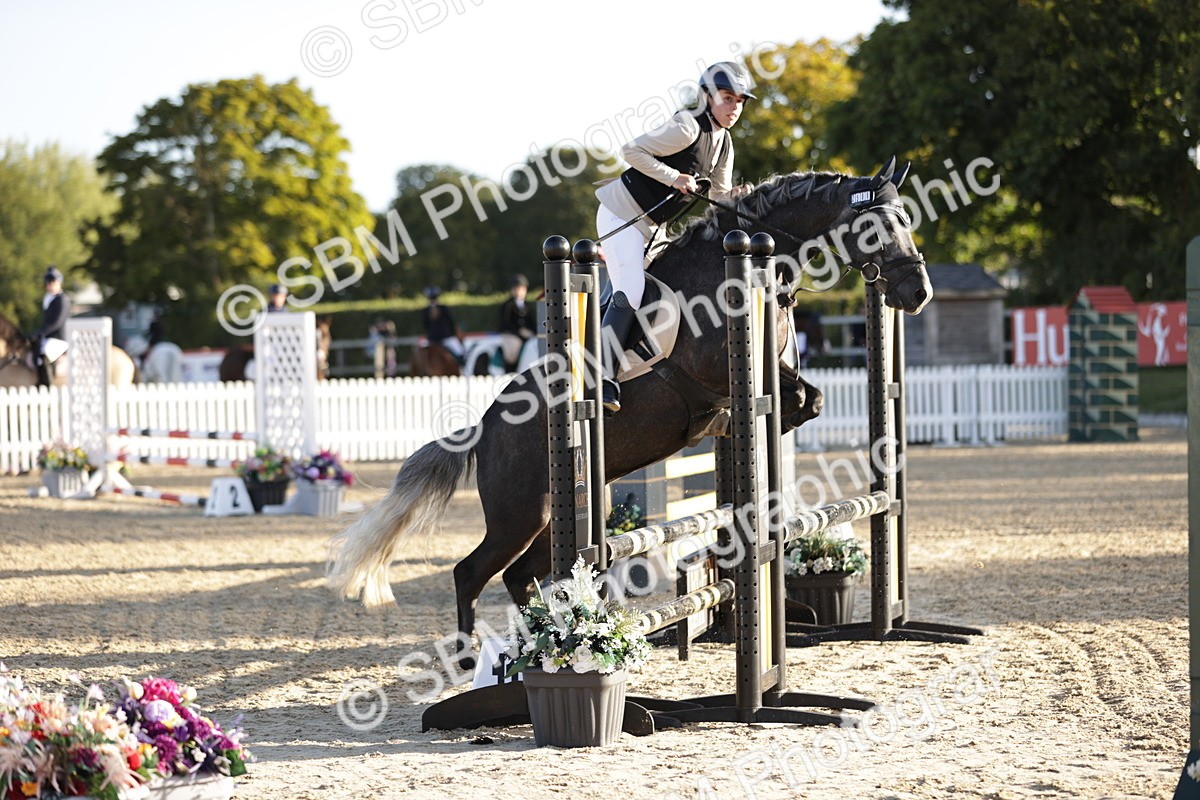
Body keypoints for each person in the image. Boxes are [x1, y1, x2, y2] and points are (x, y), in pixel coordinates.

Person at [593, 61, 757, 414]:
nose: (734, 108)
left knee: (659, 285)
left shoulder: (725, 142)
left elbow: (718, 196)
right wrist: (673, 177)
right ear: (706, 98)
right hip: (622, 214)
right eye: (727, 98)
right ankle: (600, 374)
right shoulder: (686, 126)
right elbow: (630, 151)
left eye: (739, 101)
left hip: (653, 227)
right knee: (632, 289)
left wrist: (738, 197)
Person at [33, 266, 70, 386]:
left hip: (59, 338)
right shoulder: (48, 299)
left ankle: (48, 385)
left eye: (53, 282)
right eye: (48, 283)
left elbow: (57, 322)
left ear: (59, 283)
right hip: (48, 337)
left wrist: (41, 332)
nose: (50, 285)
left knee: (44, 354)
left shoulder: (62, 299)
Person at [497, 274, 534, 372]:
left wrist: (532, 332)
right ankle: (510, 370)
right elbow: (505, 322)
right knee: (513, 349)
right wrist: (519, 331)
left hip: (526, 333)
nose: (519, 291)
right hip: (511, 333)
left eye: (521, 289)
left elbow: (531, 321)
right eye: (516, 289)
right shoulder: (507, 305)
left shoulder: (527, 305)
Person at [421, 286, 464, 364]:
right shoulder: (444, 308)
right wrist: (453, 333)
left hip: (431, 339)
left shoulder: (425, 311)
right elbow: (451, 323)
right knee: (460, 353)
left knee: (421, 354)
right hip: (446, 338)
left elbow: (425, 326)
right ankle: (462, 370)